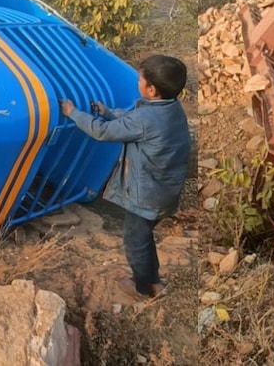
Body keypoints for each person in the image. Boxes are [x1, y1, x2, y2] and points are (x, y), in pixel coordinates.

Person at [58, 54, 190, 301]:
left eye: (140, 80)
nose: (137, 83)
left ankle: (142, 289)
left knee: (135, 242)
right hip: (164, 191)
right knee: (144, 237)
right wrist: (108, 112)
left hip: (145, 196)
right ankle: (154, 283)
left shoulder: (146, 118)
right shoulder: (171, 108)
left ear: (151, 89)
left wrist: (72, 112)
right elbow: (134, 122)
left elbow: (102, 132)